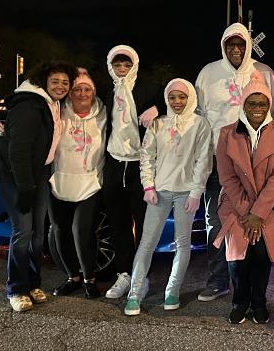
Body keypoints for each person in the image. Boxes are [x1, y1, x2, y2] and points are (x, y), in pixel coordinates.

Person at [195, 23, 274, 302]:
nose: (235, 49)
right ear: (223, 45)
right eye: (230, 44)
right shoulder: (208, 73)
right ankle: (218, 280)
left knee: (254, 217)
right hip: (219, 159)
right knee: (216, 221)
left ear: (247, 45)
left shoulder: (264, 73)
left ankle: (251, 286)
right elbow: (198, 115)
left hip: (255, 161)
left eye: (240, 44)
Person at [0, 61, 77, 312]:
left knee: (38, 231)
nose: (60, 86)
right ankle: (16, 289)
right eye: (55, 81)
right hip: (16, 172)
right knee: (23, 231)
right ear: (44, 82)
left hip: (39, 170)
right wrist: (25, 187)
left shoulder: (51, 104)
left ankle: (33, 283)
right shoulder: (29, 105)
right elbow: (19, 150)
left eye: (65, 82)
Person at [124, 78, 213, 315]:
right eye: (172, 97)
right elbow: (146, 156)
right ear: (166, 99)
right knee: (147, 243)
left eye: (182, 97)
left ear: (190, 98)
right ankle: (135, 292)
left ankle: (172, 291)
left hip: (186, 193)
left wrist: (196, 191)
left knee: (182, 244)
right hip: (160, 192)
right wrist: (148, 187)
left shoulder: (200, 124)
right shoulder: (158, 124)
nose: (177, 102)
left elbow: (203, 160)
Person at [213, 71, 274, 325]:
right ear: (243, 104)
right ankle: (240, 301)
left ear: (269, 105)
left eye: (262, 103)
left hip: (267, 208)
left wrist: (259, 213)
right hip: (238, 207)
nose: (257, 108)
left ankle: (259, 302)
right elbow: (227, 177)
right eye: (251, 103)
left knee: (260, 255)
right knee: (237, 258)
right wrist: (248, 213)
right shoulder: (227, 133)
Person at [101, 45, 167, 299]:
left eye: (126, 64)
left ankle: (142, 276)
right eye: (117, 65)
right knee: (118, 223)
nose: (121, 69)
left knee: (143, 224)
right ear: (110, 66)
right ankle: (123, 275)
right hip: (115, 163)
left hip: (141, 163)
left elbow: (175, 99)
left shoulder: (148, 87)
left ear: (134, 64)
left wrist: (157, 108)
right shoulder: (107, 89)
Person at [49, 68, 106, 299]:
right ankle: (72, 276)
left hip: (90, 182)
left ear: (93, 93)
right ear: (70, 93)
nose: (82, 94)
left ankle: (89, 279)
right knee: (60, 230)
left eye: (87, 89)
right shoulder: (58, 112)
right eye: (77, 89)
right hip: (59, 180)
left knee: (81, 231)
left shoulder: (104, 113)